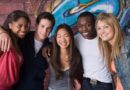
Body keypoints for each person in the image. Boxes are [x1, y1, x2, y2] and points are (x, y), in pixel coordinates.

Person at [0, 12, 55, 90]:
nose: (44, 30)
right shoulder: (23, 37)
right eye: (42, 26)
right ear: (36, 26)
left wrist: (49, 46)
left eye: (48, 28)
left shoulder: (50, 48)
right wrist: (2, 33)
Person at [74, 12, 113, 90]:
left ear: (95, 25)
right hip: (86, 83)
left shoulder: (103, 38)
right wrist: (48, 47)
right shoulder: (77, 39)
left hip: (104, 84)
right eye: (80, 26)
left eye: (88, 25)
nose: (84, 29)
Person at [95, 13, 130, 90]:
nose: (102, 31)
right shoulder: (108, 49)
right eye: (99, 28)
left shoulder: (127, 44)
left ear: (114, 27)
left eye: (106, 27)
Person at [43, 24, 83, 90]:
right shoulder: (49, 53)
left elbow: (79, 74)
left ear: (70, 37)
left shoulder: (76, 55)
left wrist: (77, 81)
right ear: (55, 38)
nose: (63, 40)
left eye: (66, 36)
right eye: (59, 36)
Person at [0, 10, 30, 90]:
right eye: (19, 26)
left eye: (26, 26)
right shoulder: (3, 40)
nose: (23, 29)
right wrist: (2, 32)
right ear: (10, 25)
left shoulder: (18, 42)